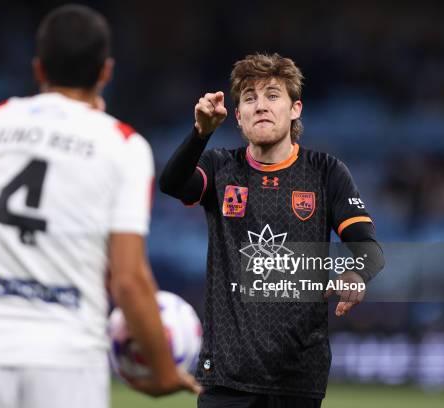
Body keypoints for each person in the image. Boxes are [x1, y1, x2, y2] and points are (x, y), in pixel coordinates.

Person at [0, 4, 198, 408]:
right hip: (66, 356)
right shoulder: (122, 145)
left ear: (38, 69)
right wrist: (163, 369)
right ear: (105, 71)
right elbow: (127, 278)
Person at [160, 53, 385, 407]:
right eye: (249, 98)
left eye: (272, 95)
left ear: (295, 109)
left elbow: (369, 248)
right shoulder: (219, 167)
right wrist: (199, 134)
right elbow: (172, 184)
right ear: (238, 116)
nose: (260, 105)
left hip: (297, 377)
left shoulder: (326, 172)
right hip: (225, 377)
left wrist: (356, 274)